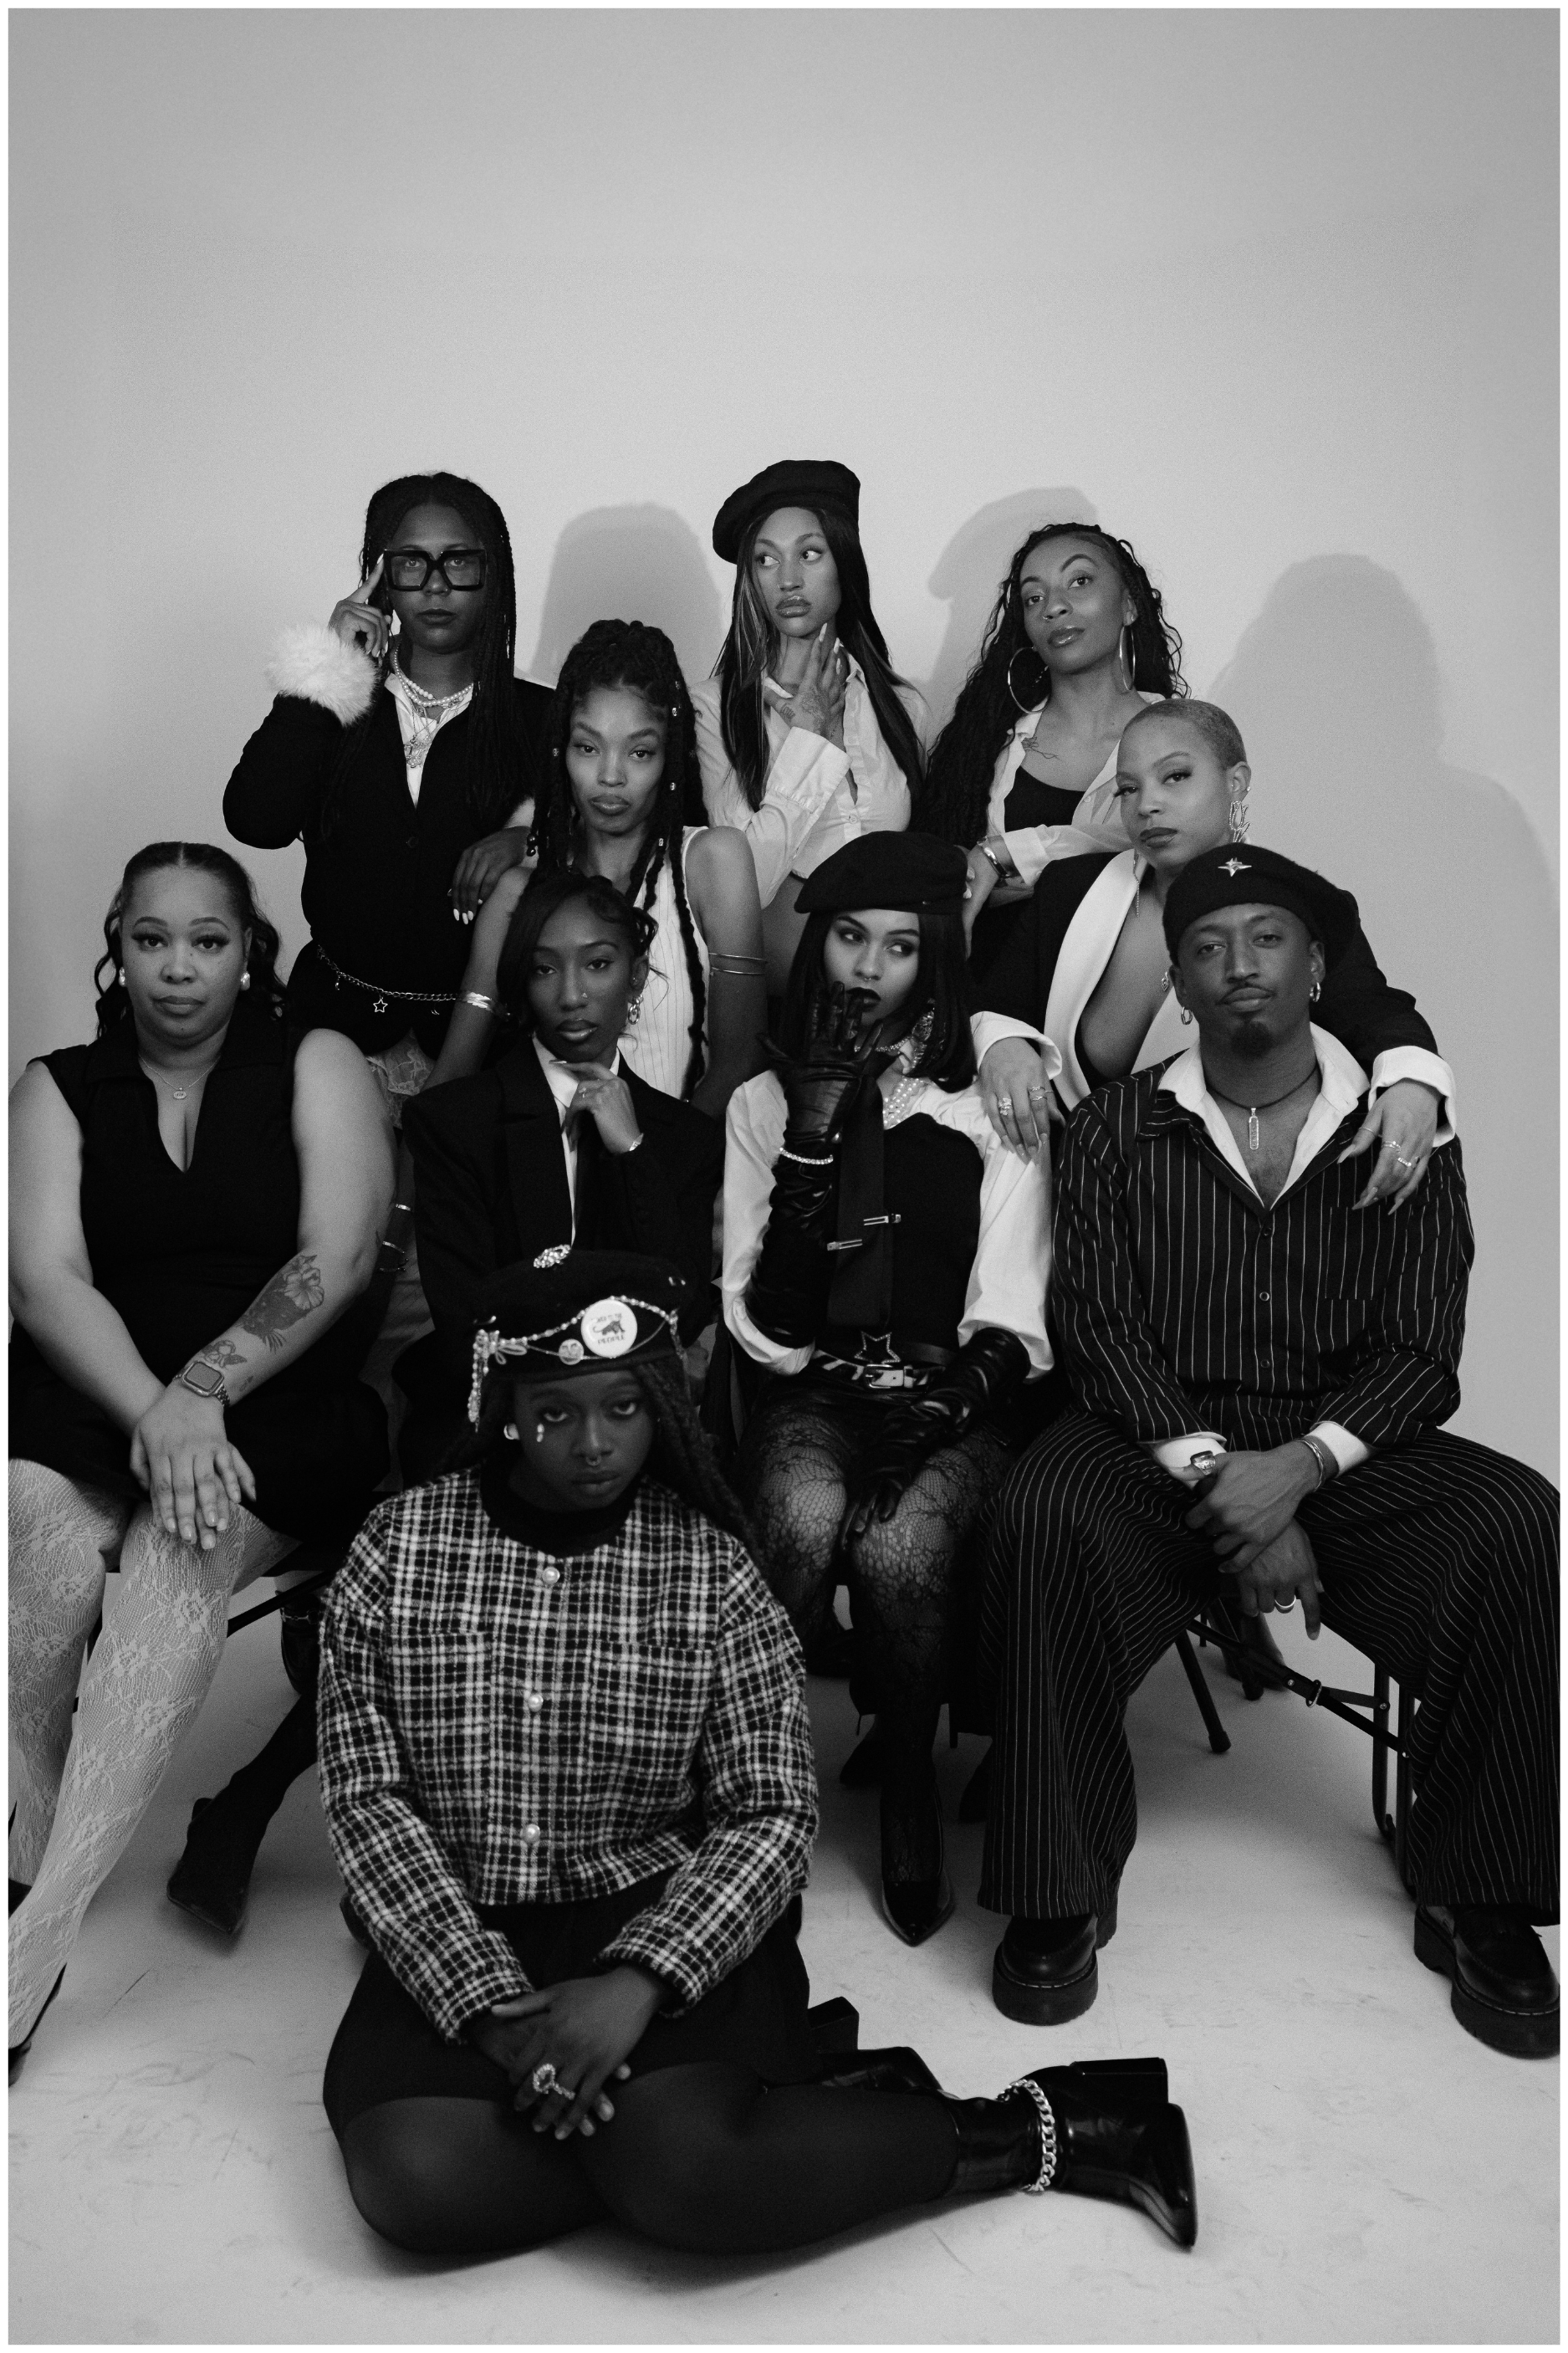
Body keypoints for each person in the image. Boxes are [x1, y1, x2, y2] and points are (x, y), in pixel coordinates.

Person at [316, 1250, 1196, 2257]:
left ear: (660, 1404)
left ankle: (1049, 2123)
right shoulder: (396, 1548)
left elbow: (771, 1811)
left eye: (622, 1408)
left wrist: (639, 1982)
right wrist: (481, 2003)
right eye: (554, 1413)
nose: (594, 1443)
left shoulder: (711, 1566)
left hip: (658, 1901)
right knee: (416, 2181)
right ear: (504, 1411)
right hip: (461, 1907)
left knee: (685, 2167)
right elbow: (367, 1799)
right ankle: (757, 2127)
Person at [977, 846, 1559, 2059]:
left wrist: (1294, 1471)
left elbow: (1422, 1349)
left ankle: (1481, 1891)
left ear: (1317, 967)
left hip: (1342, 1445)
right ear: (1179, 985)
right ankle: (1055, 1884)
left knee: (1517, 1518)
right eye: (1206, 946)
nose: (1237, 964)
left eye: (1266, 938)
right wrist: (1221, 1478)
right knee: (1041, 1506)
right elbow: (1099, 1330)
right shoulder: (1114, 1128)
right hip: (1155, 1440)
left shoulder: (1409, 1132)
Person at [8, 843, 391, 2070]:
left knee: (183, 1545)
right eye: (153, 938)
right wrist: (156, 1408)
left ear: (249, 952)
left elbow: (337, 1256)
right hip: (97, 1393)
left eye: (208, 940)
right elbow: (44, 1278)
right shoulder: (56, 1086)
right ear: (117, 946)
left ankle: (33, 1942)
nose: (179, 967)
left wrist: (202, 1392)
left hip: (277, 1405)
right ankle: (28, 1822)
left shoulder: (315, 1059)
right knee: (31, 1524)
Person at [722, 836, 1053, 1946]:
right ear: (817, 946)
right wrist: (811, 1144)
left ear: (937, 957)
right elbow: (766, 1332)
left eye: (900, 946)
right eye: (849, 938)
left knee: (903, 1544)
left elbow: (1013, 1311)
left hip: (958, 1394)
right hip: (818, 1390)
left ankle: (907, 1773)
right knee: (799, 1515)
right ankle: (751, 1793)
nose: (868, 967)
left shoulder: (988, 1104)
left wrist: (938, 1414)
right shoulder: (761, 1103)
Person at [223, 469, 554, 1404]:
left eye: (461, 562)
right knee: (326, 1264)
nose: (436, 585)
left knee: (453, 1286)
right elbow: (253, 817)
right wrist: (325, 675)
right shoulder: (338, 704)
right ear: (376, 576)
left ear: (495, 576)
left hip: (486, 1043)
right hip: (336, 1031)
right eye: (411, 563)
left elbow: (623, 836)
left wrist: (532, 836)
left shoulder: (540, 716)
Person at [974, 700, 1453, 1193]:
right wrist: (1002, 1042)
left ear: (1236, 782)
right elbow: (996, 1002)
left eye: (1175, 776)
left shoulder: (1296, 910)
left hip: (1196, 1209)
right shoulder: (1070, 889)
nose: (1147, 805)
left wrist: (1414, 1083)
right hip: (1049, 1194)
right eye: (1128, 788)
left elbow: (1374, 1012)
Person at [398, 869, 726, 1472]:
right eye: (544, 969)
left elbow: (680, 1310)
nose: (571, 995)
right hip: (498, 1414)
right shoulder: (454, 1122)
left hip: (634, 1418)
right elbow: (465, 1317)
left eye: (597, 964)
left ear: (636, 973)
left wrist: (632, 1151)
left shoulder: (685, 1138)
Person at [488, 616, 767, 1116]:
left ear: (669, 757)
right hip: (549, 1161)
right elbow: (466, 1075)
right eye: (587, 747)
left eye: (639, 752)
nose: (610, 776)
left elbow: (737, 1064)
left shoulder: (713, 862)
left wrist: (654, 1158)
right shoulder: (521, 890)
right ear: (561, 750)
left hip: (687, 1155)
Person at [692, 460, 922, 993]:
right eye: (766, 560)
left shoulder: (903, 706)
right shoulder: (712, 708)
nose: (788, 579)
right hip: (776, 997)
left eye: (809, 553)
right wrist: (810, 739)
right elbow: (745, 885)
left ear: (845, 561)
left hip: (887, 999)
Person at [915, 524, 1182, 981]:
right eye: (1033, 597)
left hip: (1117, 1001)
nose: (1053, 607)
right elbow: (939, 878)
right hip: (982, 999)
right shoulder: (984, 746)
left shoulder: (1181, 739)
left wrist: (1001, 856)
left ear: (1129, 605)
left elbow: (1162, 850)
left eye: (1080, 581)